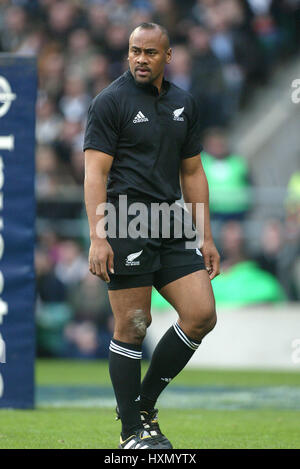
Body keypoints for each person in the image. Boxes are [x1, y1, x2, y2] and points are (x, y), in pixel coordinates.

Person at [83, 22, 220, 450]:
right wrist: (98, 236)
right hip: (125, 220)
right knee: (134, 326)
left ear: (168, 56)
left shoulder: (184, 102)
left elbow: (193, 171)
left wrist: (207, 236)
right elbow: (94, 173)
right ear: (127, 54)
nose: (140, 59)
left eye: (149, 52)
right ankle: (131, 435)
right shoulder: (110, 102)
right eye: (134, 51)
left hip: (171, 220)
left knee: (202, 314)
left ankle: (142, 405)